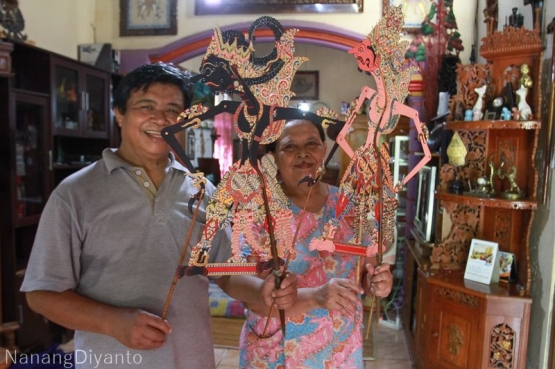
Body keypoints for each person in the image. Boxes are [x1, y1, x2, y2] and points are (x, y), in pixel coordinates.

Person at [20, 62, 296, 369]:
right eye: (146, 106)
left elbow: (226, 272)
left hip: (192, 359)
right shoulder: (74, 194)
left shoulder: (203, 190)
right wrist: (114, 322)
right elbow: (41, 294)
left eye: (173, 110)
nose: (161, 119)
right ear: (119, 113)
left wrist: (263, 291)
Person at [237, 119, 394, 368]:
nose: (303, 153)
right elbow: (252, 296)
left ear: (324, 148)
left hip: (339, 350)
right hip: (277, 353)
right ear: (274, 158)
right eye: (289, 147)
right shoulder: (257, 211)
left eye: (312, 143)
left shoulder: (352, 207)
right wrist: (316, 298)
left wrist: (378, 284)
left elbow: (366, 273)